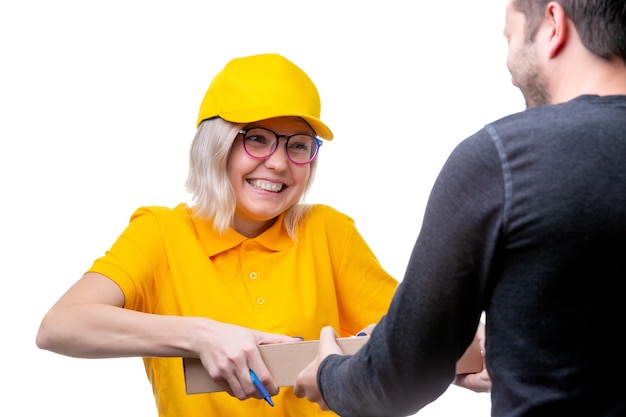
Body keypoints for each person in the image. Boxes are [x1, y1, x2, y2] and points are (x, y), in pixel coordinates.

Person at [35, 53, 486, 417]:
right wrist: (201, 336)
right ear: (217, 146)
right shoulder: (162, 235)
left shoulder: (327, 232)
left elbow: (439, 338)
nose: (278, 162)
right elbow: (59, 327)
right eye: (257, 138)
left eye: (298, 145)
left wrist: (448, 363)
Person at [293, 0, 626, 416]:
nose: (509, 64)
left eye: (511, 37)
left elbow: (399, 377)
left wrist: (330, 375)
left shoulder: (502, 159)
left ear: (554, 25)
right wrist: (511, 359)